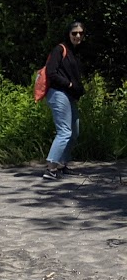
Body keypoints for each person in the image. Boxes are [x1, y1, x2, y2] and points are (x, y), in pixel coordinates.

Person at [41, 21, 86, 180]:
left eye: (80, 33)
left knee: (74, 131)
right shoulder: (60, 49)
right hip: (58, 93)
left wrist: (76, 89)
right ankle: (51, 168)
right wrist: (69, 84)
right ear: (68, 34)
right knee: (64, 131)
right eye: (74, 33)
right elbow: (51, 73)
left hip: (69, 95)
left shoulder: (74, 52)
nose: (78, 36)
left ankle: (61, 165)